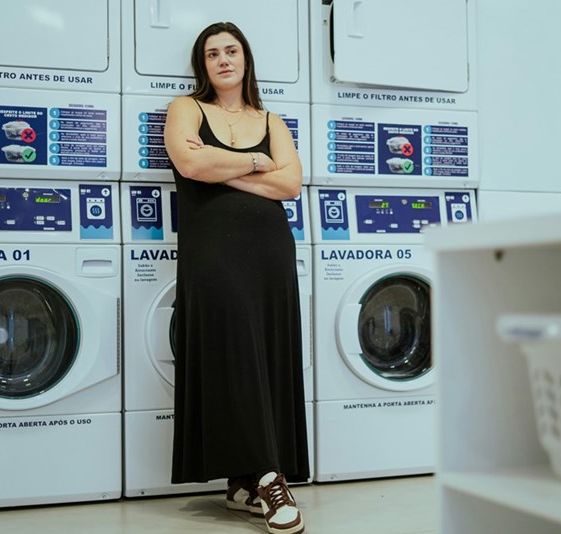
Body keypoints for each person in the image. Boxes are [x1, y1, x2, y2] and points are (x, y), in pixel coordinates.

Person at [163, 21, 309, 534]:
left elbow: (291, 183)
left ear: (246, 58)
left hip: (270, 250)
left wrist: (223, 165)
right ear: (202, 65)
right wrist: (254, 162)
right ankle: (272, 481)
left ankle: (245, 483)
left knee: (266, 355)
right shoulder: (186, 109)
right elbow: (189, 163)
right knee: (232, 351)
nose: (223, 59)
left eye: (231, 51)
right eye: (211, 54)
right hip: (212, 250)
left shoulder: (272, 119)